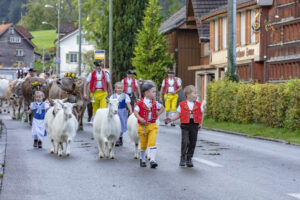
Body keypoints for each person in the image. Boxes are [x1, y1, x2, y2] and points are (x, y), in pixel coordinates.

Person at [165, 85, 204, 167]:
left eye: (196, 93)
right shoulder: (182, 104)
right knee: (185, 141)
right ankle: (182, 157)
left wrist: (200, 123)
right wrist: (171, 119)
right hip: (185, 125)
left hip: (194, 124)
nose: (196, 95)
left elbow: (202, 113)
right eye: (194, 93)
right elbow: (178, 114)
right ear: (188, 95)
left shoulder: (199, 104)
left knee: (193, 142)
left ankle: (189, 158)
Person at [134, 83, 164, 168]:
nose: (155, 93)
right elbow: (135, 112)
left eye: (155, 92)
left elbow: (162, 108)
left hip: (152, 125)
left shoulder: (155, 103)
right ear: (146, 93)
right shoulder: (140, 103)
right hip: (143, 127)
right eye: (153, 92)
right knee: (143, 144)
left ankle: (152, 160)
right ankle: (142, 159)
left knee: (152, 142)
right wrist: (140, 118)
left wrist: (159, 112)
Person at [110, 82, 132, 146]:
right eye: (118, 88)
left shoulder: (125, 96)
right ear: (115, 89)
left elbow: (128, 104)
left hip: (122, 112)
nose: (120, 89)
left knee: (122, 124)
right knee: (115, 124)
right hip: (115, 112)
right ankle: (116, 138)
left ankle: (120, 137)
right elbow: (110, 105)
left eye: (121, 88)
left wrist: (130, 110)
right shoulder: (113, 96)